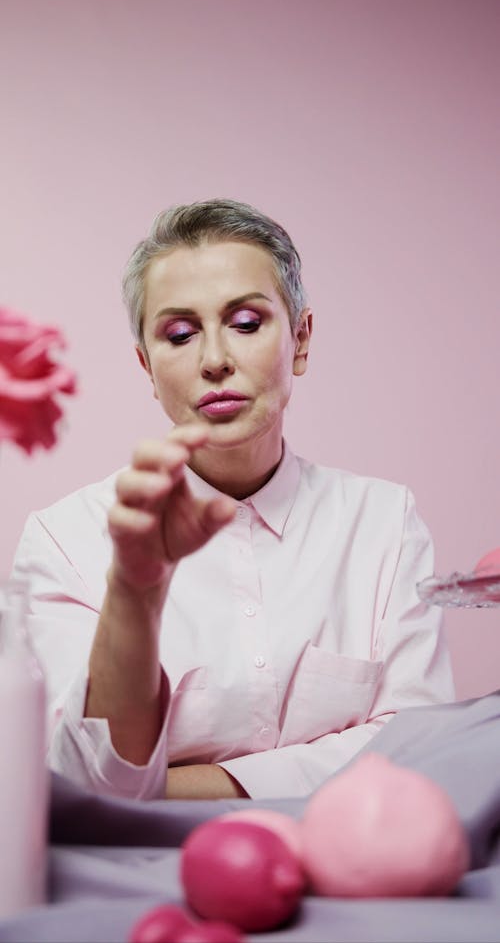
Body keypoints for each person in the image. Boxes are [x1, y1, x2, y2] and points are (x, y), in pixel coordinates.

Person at [12, 199, 455, 801]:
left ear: (299, 339)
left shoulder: (384, 523)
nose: (215, 359)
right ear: (146, 365)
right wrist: (135, 592)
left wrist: (199, 785)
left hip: (357, 870)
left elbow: (420, 749)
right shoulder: (66, 540)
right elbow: (87, 784)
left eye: (246, 324)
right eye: (179, 334)